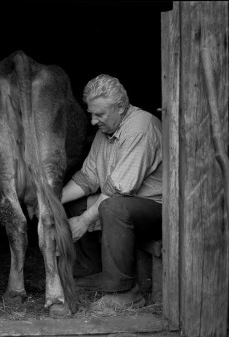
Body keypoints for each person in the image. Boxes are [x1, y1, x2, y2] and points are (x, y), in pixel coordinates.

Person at [61, 74, 162, 309]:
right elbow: (88, 178)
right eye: (91, 114)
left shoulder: (140, 129)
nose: (94, 121)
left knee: (112, 208)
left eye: (100, 114)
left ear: (119, 107)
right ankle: (93, 271)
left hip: (157, 209)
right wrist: (53, 200)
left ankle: (125, 292)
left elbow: (119, 191)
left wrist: (84, 222)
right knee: (75, 205)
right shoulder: (104, 131)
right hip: (127, 202)